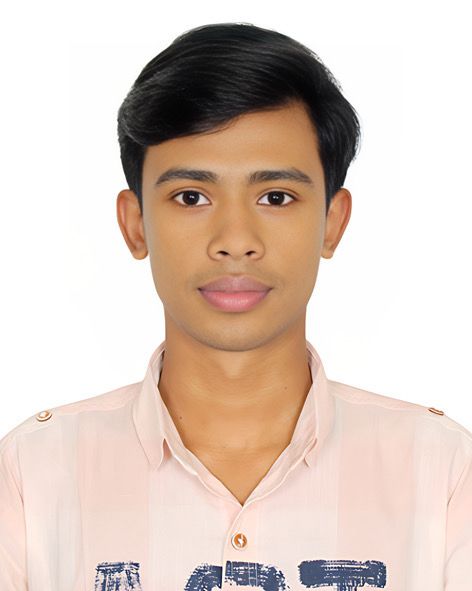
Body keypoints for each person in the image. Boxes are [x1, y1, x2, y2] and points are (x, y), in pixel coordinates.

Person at [0, 22, 470, 591]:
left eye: (276, 197)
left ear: (332, 221)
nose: (235, 240)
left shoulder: (443, 473)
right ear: (135, 223)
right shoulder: (31, 475)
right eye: (191, 196)